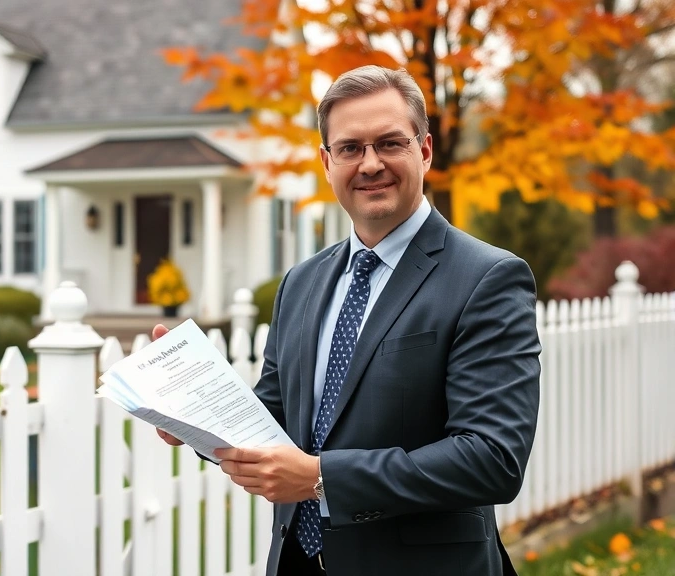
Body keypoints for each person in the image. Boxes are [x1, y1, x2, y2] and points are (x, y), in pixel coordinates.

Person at [151, 65, 540, 576]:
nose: (370, 164)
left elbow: (491, 458)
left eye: (390, 144)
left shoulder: (486, 279)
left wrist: (321, 479)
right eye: (351, 148)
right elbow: (273, 422)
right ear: (327, 161)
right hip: (297, 561)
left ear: (424, 150)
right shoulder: (301, 283)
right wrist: (192, 414)